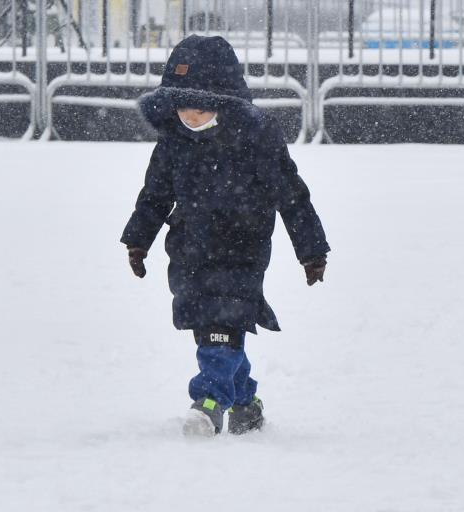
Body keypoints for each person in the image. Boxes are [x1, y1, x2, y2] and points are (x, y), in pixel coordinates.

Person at [121, 35, 330, 437]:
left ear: (223, 102)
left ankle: (210, 401)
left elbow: (292, 195)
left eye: (200, 108)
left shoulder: (257, 139)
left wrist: (311, 249)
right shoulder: (174, 142)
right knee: (210, 324)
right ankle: (247, 402)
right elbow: (155, 194)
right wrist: (138, 239)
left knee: (223, 325)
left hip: (243, 249)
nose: (191, 117)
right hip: (189, 249)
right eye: (182, 107)